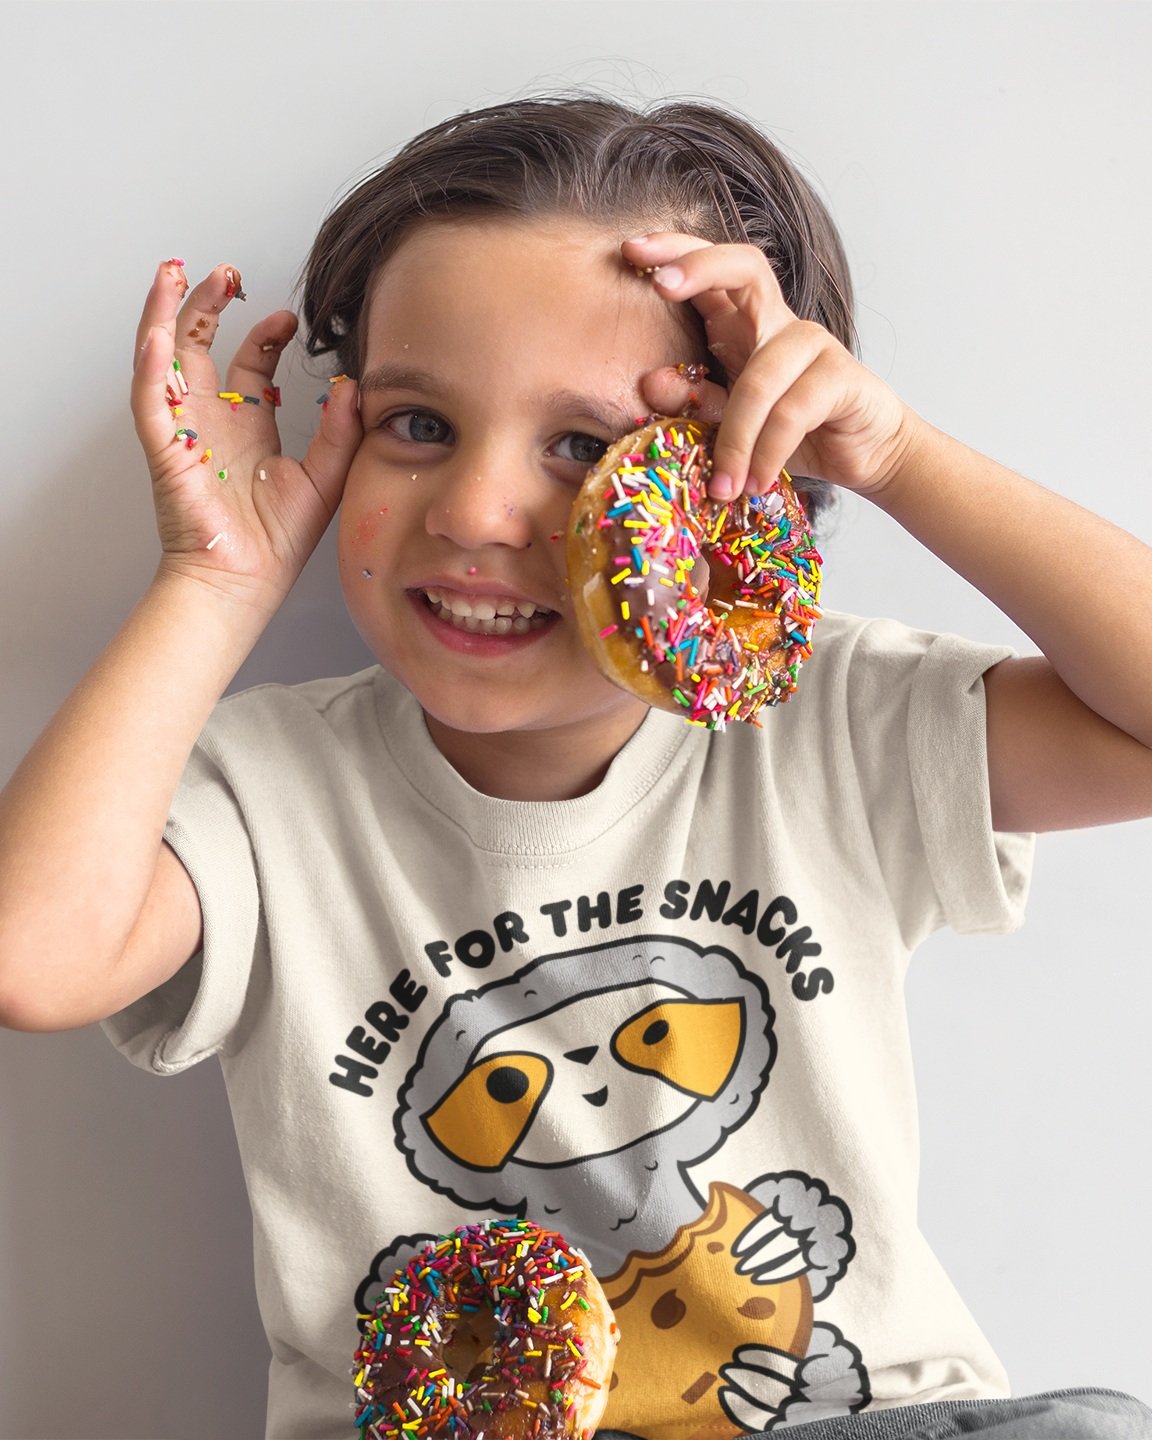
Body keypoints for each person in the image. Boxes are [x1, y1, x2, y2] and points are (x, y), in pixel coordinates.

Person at [1, 94, 1150, 1440]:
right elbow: (34, 956)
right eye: (420, 424)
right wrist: (213, 579)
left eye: (586, 447)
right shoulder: (271, 789)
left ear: (744, 477)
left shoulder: (829, 724)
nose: (481, 512)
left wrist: (898, 458)